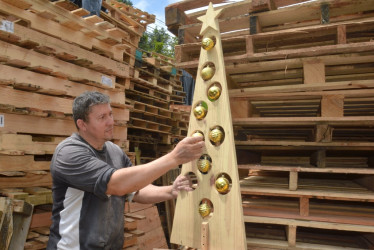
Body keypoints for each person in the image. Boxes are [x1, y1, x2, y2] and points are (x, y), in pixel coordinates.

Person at [47, 91, 204, 249]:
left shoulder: (114, 151)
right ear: (82, 124)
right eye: (102, 117)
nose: (110, 122)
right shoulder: (69, 153)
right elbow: (116, 184)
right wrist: (174, 158)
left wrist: (171, 191)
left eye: (110, 114)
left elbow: (135, 189)